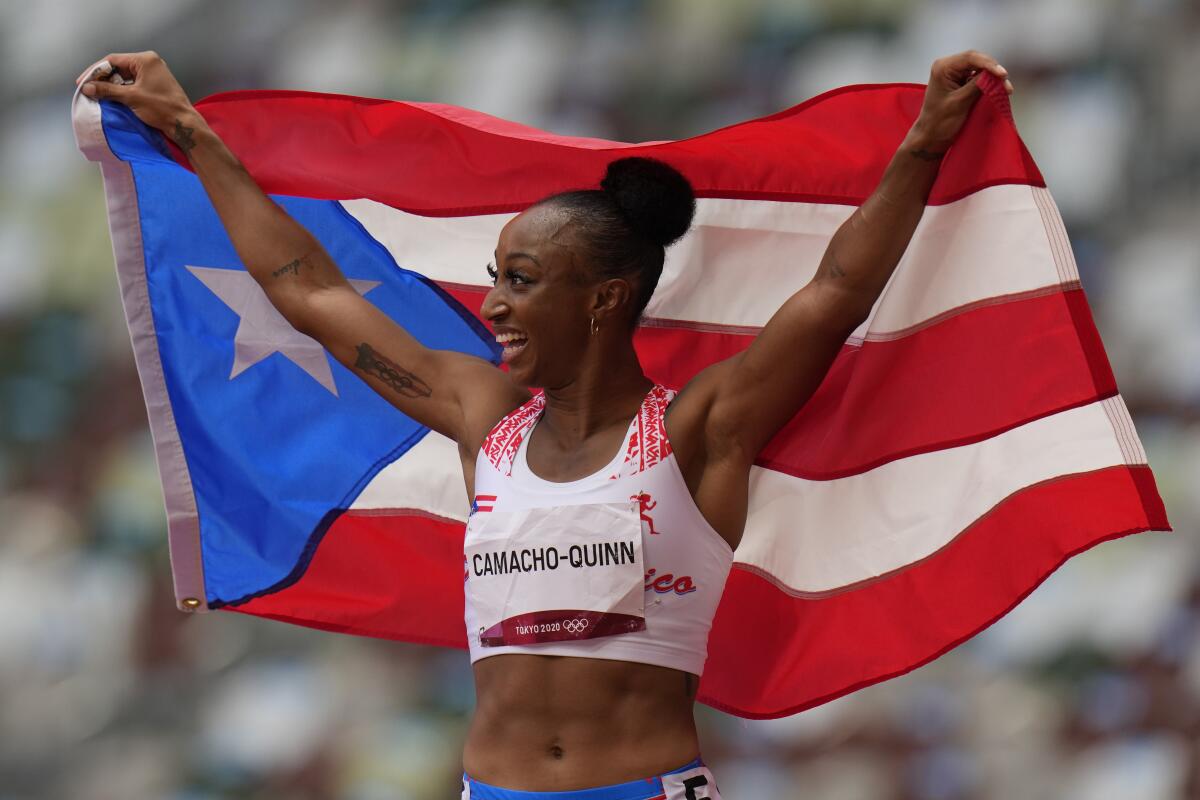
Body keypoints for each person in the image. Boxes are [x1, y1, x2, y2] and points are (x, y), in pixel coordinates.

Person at [80, 49, 1013, 799]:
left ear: (605, 300)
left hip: (645, 789)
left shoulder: (699, 429)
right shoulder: (482, 419)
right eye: (495, 278)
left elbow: (836, 293)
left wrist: (922, 149)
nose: (492, 306)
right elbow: (310, 290)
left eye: (520, 281)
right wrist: (194, 134)